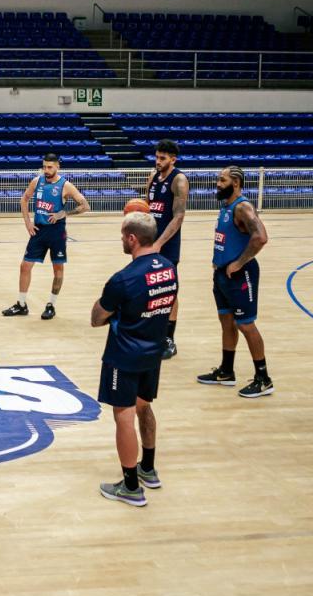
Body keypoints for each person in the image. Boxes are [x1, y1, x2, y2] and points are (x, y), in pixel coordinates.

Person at [90, 212, 177, 507]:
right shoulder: (168, 268)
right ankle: (148, 469)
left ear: (132, 238)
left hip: (123, 355)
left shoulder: (123, 279)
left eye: (122, 236)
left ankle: (130, 486)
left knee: (123, 416)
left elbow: (97, 317)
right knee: (145, 407)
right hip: (153, 352)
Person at [197, 166, 273, 398]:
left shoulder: (242, 207)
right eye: (218, 179)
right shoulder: (226, 206)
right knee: (226, 321)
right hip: (222, 274)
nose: (217, 184)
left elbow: (261, 237)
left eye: (222, 180)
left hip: (241, 274)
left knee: (245, 324)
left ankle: (263, 378)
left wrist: (239, 262)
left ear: (236, 183)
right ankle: (226, 371)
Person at [2, 153, 89, 320]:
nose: (46, 170)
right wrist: (27, 222)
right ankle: (21, 304)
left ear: (57, 167)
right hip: (39, 230)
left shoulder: (66, 185)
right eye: (44, 167)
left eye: (50, 167)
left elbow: (85, 206)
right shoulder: (37, 181)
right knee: (25, 266)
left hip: (57, 232)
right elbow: (24, 199)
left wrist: (63, 213)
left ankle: (51, 305)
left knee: (57, 269)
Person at [146, 139, 188, 359]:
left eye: (163, 158)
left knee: (169, 290)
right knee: (150, 287)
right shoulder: (152, 177)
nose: (158, 161)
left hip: (167, 245)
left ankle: (169, 338)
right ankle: (153, 331)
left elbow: (179, 216)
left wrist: (160, 242)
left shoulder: (179, 180)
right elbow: (147, 209)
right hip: (149, 243)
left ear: (173, 159)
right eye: (157, 156)